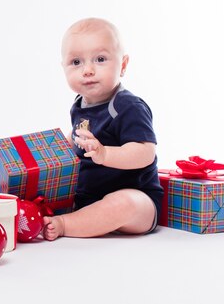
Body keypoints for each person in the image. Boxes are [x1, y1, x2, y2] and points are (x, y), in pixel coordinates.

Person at [43, 18, 163, 240]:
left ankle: (65, 224)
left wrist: (105, 153)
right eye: (76, 62)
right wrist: (59, 151)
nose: (87, 70)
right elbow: (76, 138)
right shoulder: (79, 104)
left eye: (100, 59)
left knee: (123, 204)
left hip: (137, 198)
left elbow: (145, 152)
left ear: (123, 65)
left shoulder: (127, 106)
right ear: (63, 68)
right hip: (89, 197)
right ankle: (84, 218)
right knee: (51, 193)